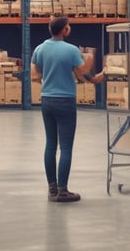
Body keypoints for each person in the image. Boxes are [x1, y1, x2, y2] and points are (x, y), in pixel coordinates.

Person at [31, 16, 104, 203]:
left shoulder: (40, 49)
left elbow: (34, 75)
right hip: (65, 101)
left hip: (47, 100)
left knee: (50, 144)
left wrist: (48, 78)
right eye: (68, 26)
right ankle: (63, 190)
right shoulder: (72, 50)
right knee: (66, 147)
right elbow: (85, 75)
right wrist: (97, 68)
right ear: (64, 30)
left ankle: (52, 188)